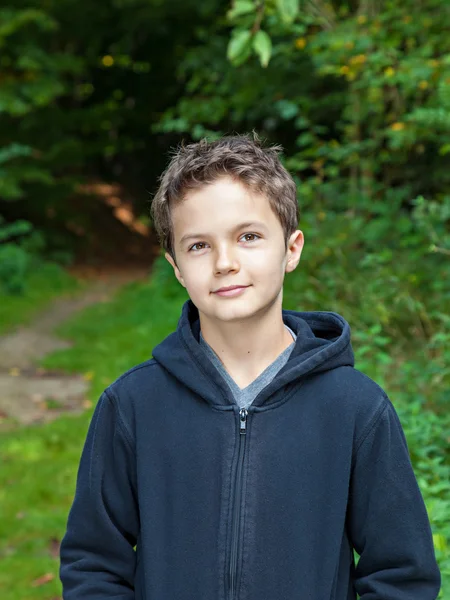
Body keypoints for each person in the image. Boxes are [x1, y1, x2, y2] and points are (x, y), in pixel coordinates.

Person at [59, 133, 441, 599]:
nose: (225, 262)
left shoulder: (356, 409)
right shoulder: (132, 406)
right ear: (176, 266)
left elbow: (402, 575)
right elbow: (93, 565)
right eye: (199, 245)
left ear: (292, 248)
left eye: (249, 237)